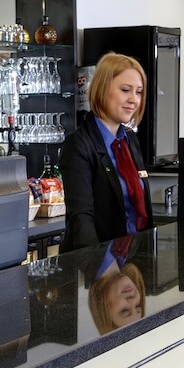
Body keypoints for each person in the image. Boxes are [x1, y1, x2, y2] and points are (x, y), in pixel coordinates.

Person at [59, 51, 152, 252]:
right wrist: (103, 267)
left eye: (138, 92)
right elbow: (81, 220)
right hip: (97, 263)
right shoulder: (78, 145)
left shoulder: (129, 140)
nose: (134, 100)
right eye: (125, 90)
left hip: (132, 259)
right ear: (102, 89)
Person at [86, 236, 146, 335]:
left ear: (103, 308)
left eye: (125, 310)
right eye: (137, 306)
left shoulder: (83, 255)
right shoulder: (130, 250)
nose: (133, 300)